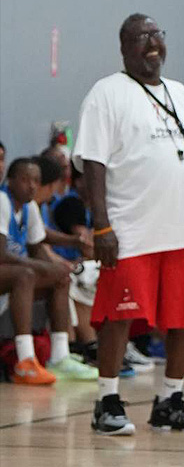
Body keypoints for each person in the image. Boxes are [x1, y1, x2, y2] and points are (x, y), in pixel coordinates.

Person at [73, 14, 184, 436]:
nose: (152, 43)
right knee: (118, 317)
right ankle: (107, 402)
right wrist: (101, 226)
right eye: (142, 37)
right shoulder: (106, 93)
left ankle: (170, 401)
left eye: (157, 35)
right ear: (124, 47)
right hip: (131, 230)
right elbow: (93, 165)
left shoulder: (182, 94)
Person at [0, 157, 96, 383]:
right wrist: (42, 266)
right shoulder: (2, 201)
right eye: (25, 180)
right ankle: (25, 361)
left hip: (11, 273)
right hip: (7, 269)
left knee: (60, 276)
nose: (32, 186)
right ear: (10, 181)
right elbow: (1, 255)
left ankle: (60, 357)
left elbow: (37, 246)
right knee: (25, 275)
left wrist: (57, 267)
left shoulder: (29, 207)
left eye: (36, 180)